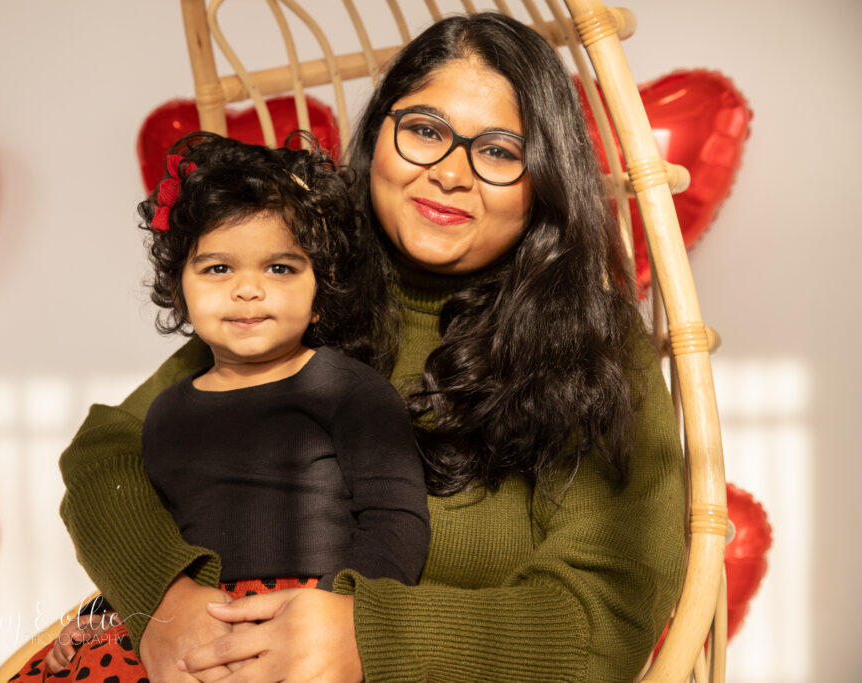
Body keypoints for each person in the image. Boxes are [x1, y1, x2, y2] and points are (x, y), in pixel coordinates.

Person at [52, 12, 686, 683]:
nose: (450, 174)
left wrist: (370, 637)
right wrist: (164, 598)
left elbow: (606, 612)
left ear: (545, 182)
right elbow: (107, 449)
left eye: (500, 151)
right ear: (379, 132)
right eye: (424, 131)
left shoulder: (592, 340)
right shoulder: (296, 283)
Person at [15, 134, 429, 680]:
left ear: (321, 285)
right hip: (194, 624)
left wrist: (344, 618)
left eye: (280, 268)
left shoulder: (349, 389)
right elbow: (158, 541)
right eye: (218, 269)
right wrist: (104, 609)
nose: (248, 290)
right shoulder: (165, 412)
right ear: (178, 286)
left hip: (301, 615)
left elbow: (394, 521)